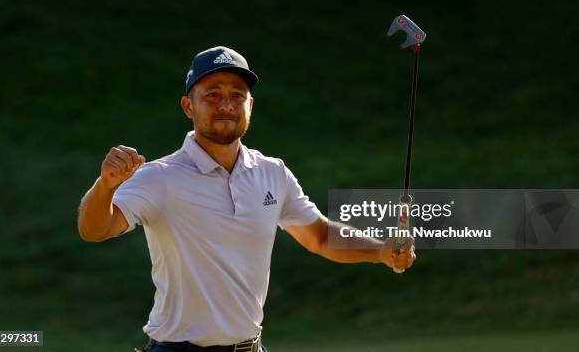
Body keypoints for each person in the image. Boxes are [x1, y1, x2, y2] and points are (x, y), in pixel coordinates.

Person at [77, 46, 416, 352]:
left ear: (249, 106)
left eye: (237, 95)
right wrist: (105, 186)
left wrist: (380, 251)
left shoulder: (272, 172)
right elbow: (95, 229)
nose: (226, 105)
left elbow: (321, 237)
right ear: (188, 106)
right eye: (211, 94)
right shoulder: (158, 176)